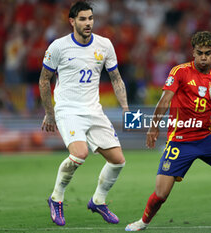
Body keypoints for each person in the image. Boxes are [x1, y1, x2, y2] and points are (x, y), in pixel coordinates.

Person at [125, 31, 211, 231]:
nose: (203, 57)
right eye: (199, 53)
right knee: (161, 194)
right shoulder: (180, 72)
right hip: (179, 140)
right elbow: (164, 101)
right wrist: (153, 126)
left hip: (205, 139)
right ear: (193, 52)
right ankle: (143, 222)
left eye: (207, 53)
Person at [39, 1, 129, 226]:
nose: (88, 23)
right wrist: (49, 113)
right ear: (72, 21)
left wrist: (126, 108)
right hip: (68, 109)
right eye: (82, 19)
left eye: (90, 18)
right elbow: (44, 79)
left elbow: (116, 78)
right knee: (79, 153)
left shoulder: (104, 44)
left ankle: (98, 201)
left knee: (118, 161)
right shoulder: (58, 47)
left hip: (93, 109)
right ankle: (56, 198)